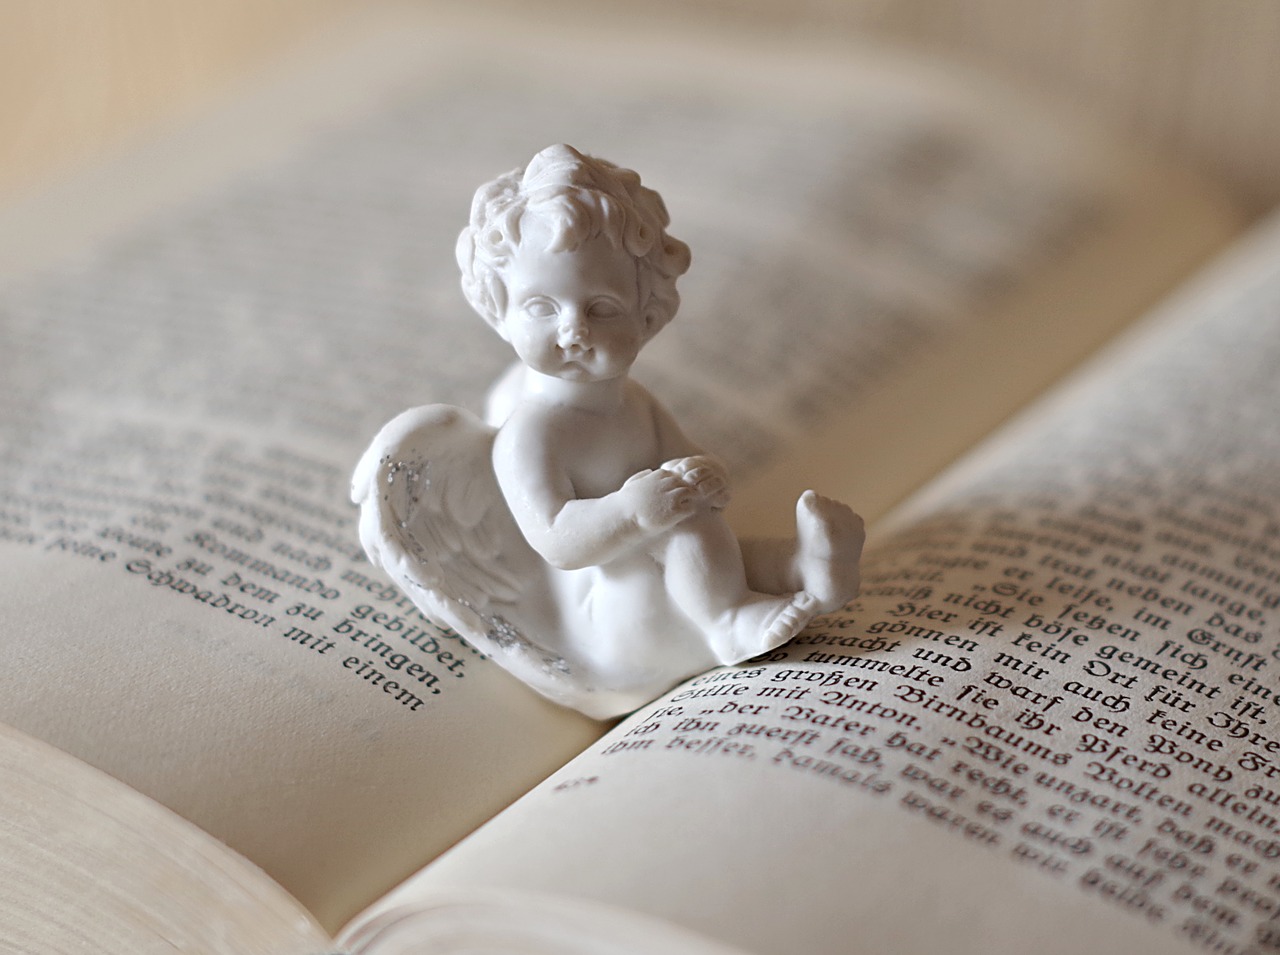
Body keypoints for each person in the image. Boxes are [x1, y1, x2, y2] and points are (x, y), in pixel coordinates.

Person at [455, 144, 864, 672]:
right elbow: (557, 540)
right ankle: (726, 624)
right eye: (541, 307)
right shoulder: (530, 433)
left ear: (647, 317)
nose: (573, 331)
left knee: (699, 526)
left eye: (602, 308)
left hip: (672, 565)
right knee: (682, 530)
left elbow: (685, 455)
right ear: (500, 313)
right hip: (614, 610)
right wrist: (632, 511)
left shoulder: (635, 403)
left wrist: (706, 475)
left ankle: (805, 570)